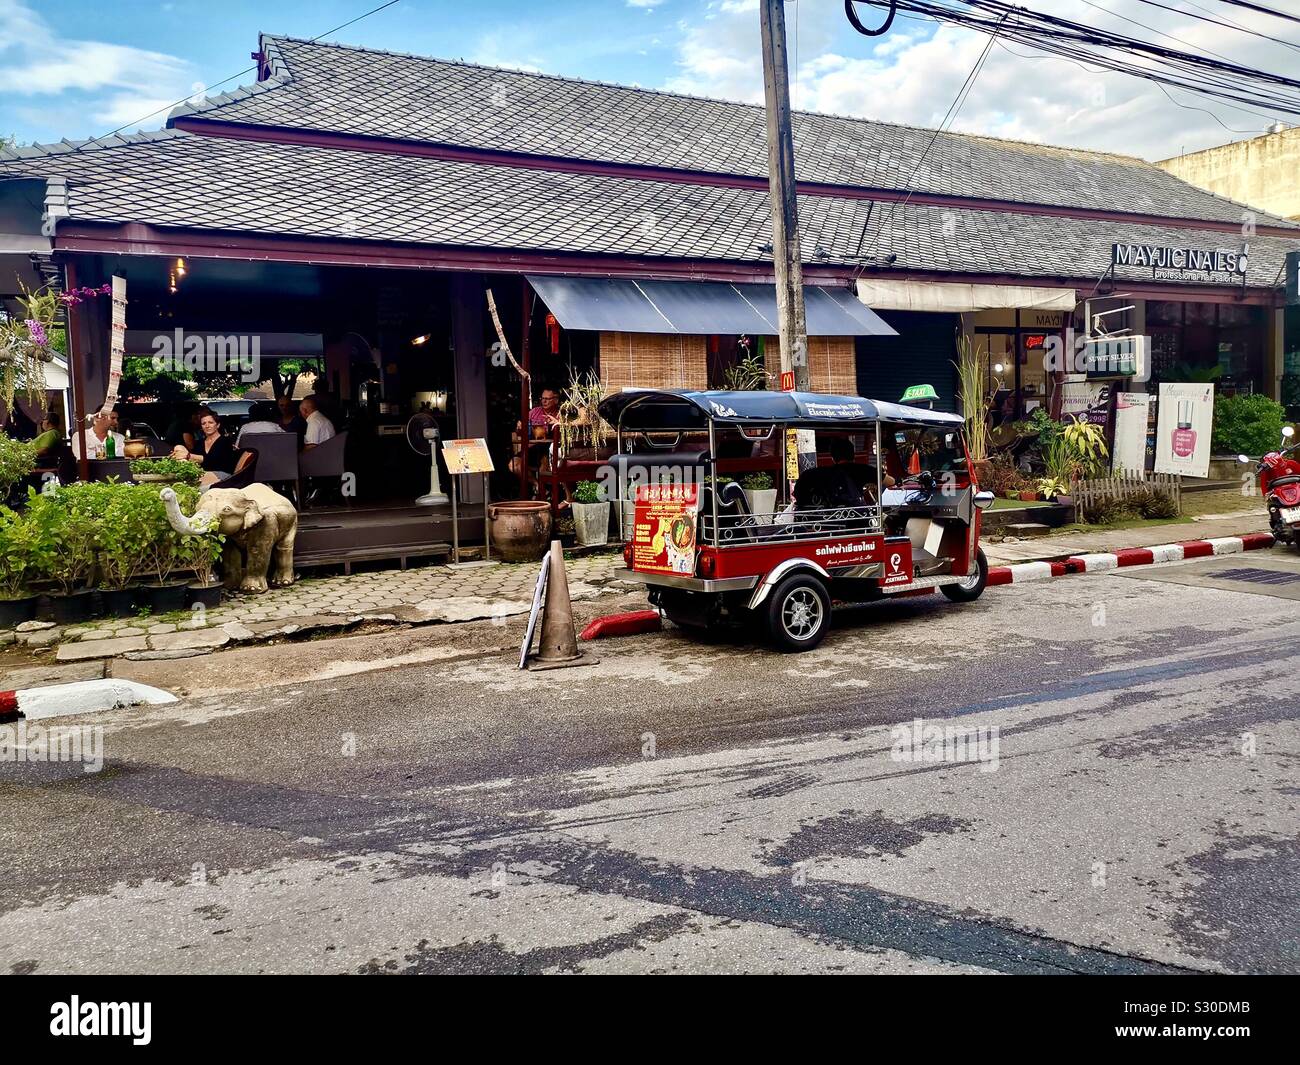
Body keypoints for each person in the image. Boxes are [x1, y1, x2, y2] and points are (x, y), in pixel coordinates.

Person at [173, 409, 244, 487]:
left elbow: (214, 460)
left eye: (210, 422)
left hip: (221, 474)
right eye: (204, 423)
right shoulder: (199, 443)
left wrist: (189, 456)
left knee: (189, 482)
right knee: (178, 447)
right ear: (201, 427)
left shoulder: (225, 441)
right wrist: (180, 455)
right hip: (202, 473)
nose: (207, 426)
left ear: (217, 425)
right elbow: (196, 463)